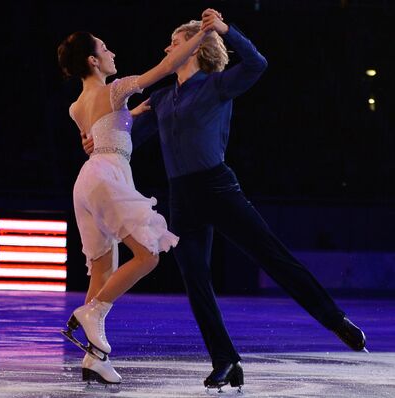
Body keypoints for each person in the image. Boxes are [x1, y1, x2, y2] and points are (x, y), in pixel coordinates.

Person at [82, 8, 367, 392]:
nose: (168, 47)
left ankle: (335, 320)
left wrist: (224, 29)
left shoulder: (218, 85)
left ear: (196, 50)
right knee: (196, 280)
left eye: (176, 42)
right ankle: (226, 361)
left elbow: (258, 63)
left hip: (218, 188)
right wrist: (98, 139)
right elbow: (127, 135)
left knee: (272, 256)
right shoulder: (163, 98)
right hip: (182, 197)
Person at [57, 12, 217, 385]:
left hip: (87, 182)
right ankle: (92, 312)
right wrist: (204, 34)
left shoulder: (76, 106)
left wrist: (136, 112)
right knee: (148, 253)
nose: (112, 52)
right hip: (109, 176)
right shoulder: (116, 88)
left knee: (102, 267)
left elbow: (103, 129)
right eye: (104, 48)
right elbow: (165, 66)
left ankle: (94, 359)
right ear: (93, 60)